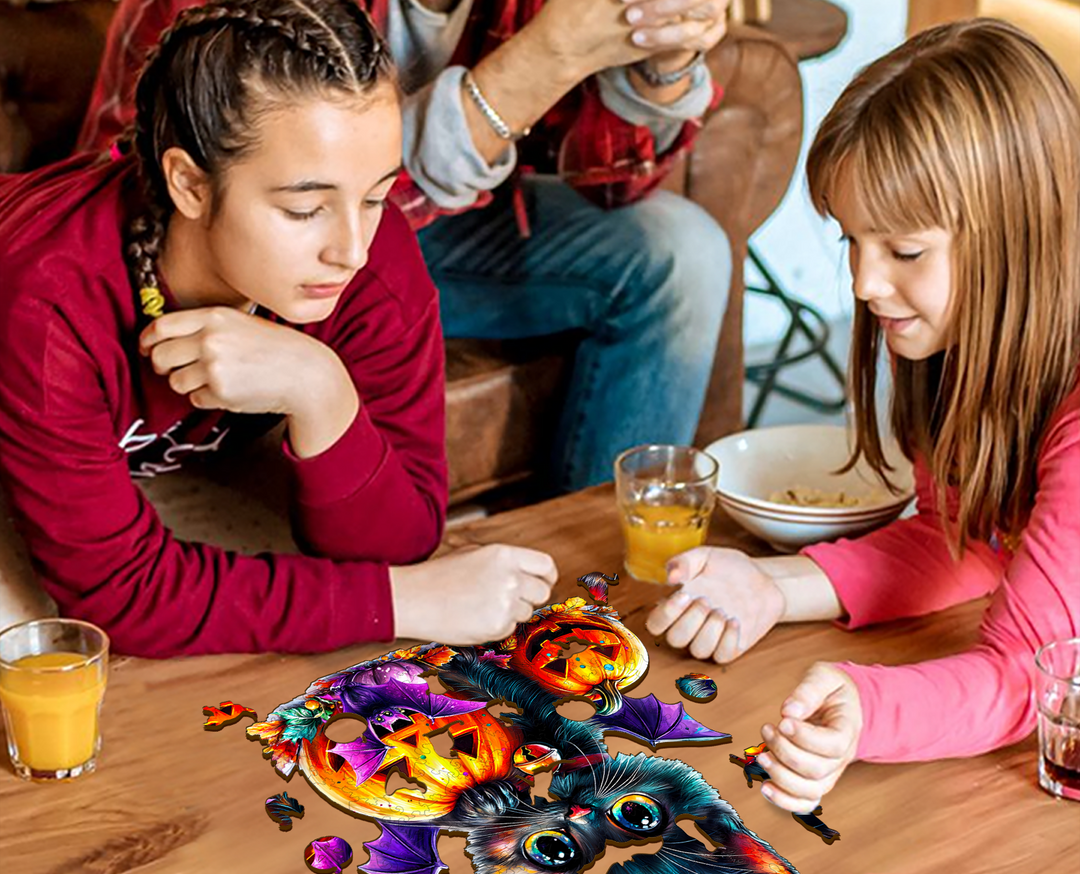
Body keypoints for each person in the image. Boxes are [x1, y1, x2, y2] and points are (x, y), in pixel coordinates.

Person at [0, 0, 557, 657]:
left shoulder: (370, 256)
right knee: (34, 650)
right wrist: (408, 600)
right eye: (305, 209)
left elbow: (402, 537)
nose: (351, 248)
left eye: (375, 196)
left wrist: (321, 391)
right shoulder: (48, 301)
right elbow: (123, 598)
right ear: (189, 184)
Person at [646, 18, 1080, 812]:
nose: (862, 283)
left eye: (904, 251)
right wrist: (773, 586)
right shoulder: (966, 347)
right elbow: (965, 537)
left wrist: (869, 708)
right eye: (852, 240)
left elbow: (1033, 672)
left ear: (1023, 236)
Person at [76, 0, 734, 493]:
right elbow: (214, 204)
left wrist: (660, 62)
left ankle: (598, 584)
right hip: (222, 242)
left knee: (681, 251)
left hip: (425, 219)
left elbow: (617, 187)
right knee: (338, 222)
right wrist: (546, 58)